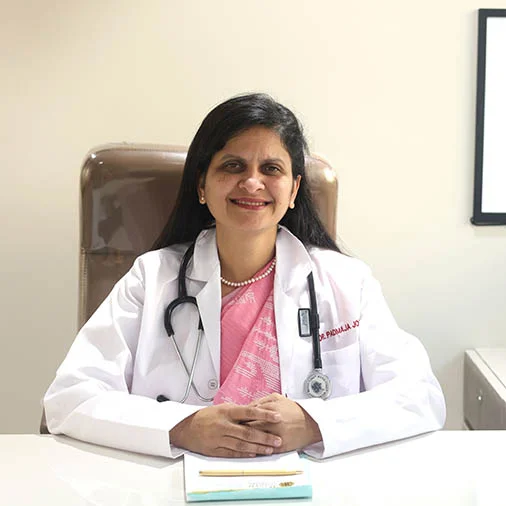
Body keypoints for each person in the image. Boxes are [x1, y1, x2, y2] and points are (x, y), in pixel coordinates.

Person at [43, 93, 446, 459]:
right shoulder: (151, 279)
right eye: (232, 165)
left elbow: (419, 396)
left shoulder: (345, 282)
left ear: (293, 190)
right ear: (202, 185)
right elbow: (70, 397)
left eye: (271, 168)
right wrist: (181, 427)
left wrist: (313, 423)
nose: (252, 182)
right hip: (171, 487)